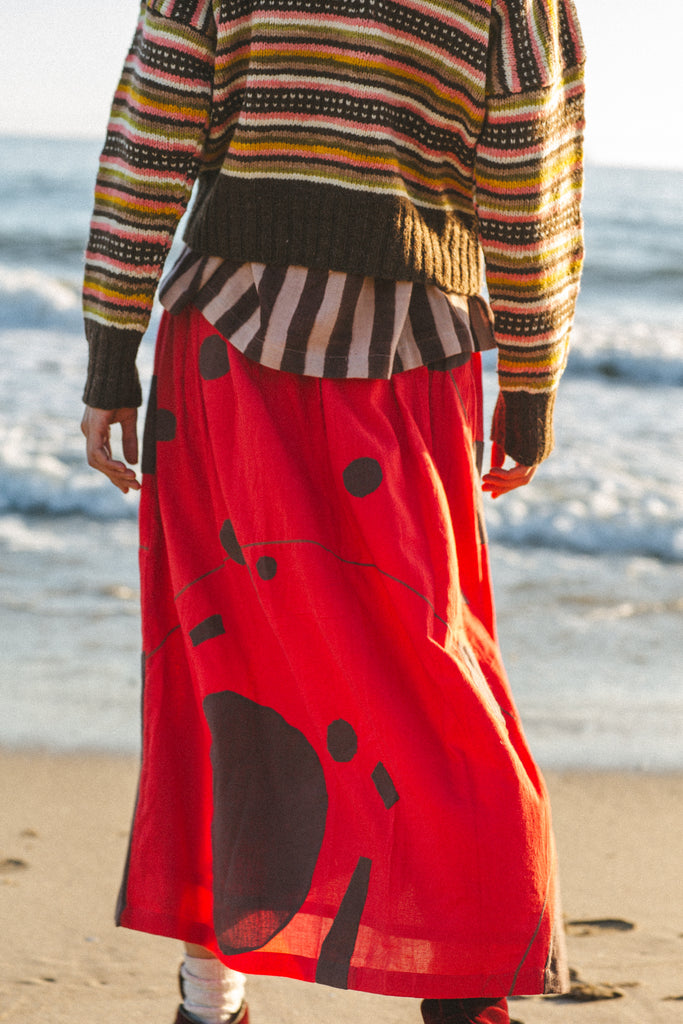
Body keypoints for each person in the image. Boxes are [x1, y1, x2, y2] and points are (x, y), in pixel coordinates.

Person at [81, 2, 585, 1022]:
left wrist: (110, 351)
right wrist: (528, 385)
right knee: (429, 671)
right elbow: (526, 188)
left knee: (217, 664)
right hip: (404, 365)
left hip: (224, 347)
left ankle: (209, 994)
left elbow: (152, 133)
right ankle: (460, 983)